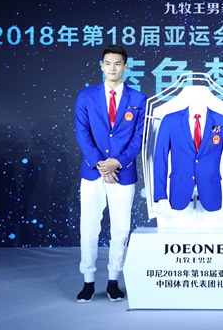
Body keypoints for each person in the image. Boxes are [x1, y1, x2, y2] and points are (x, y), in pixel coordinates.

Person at [74, 44, 147, 303]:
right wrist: (100, 163)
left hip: (122, 174)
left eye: (117, 63)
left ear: (126, 67)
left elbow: (139, 137)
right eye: (108, 63)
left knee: (121, 229)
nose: (112, 68)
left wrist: (118, 162)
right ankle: (88, 281)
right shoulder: (86, 96)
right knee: (89, 228)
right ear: (101, 66)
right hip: (93, 172)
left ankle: (114, 280)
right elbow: (82, 132)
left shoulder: (139, 99)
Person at [152, 104, 223, 226]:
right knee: (177, 235)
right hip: (179, 189)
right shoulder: (170, 120)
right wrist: (161, 195)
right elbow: (160, 159)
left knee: (211, 236)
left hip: (211, 190)